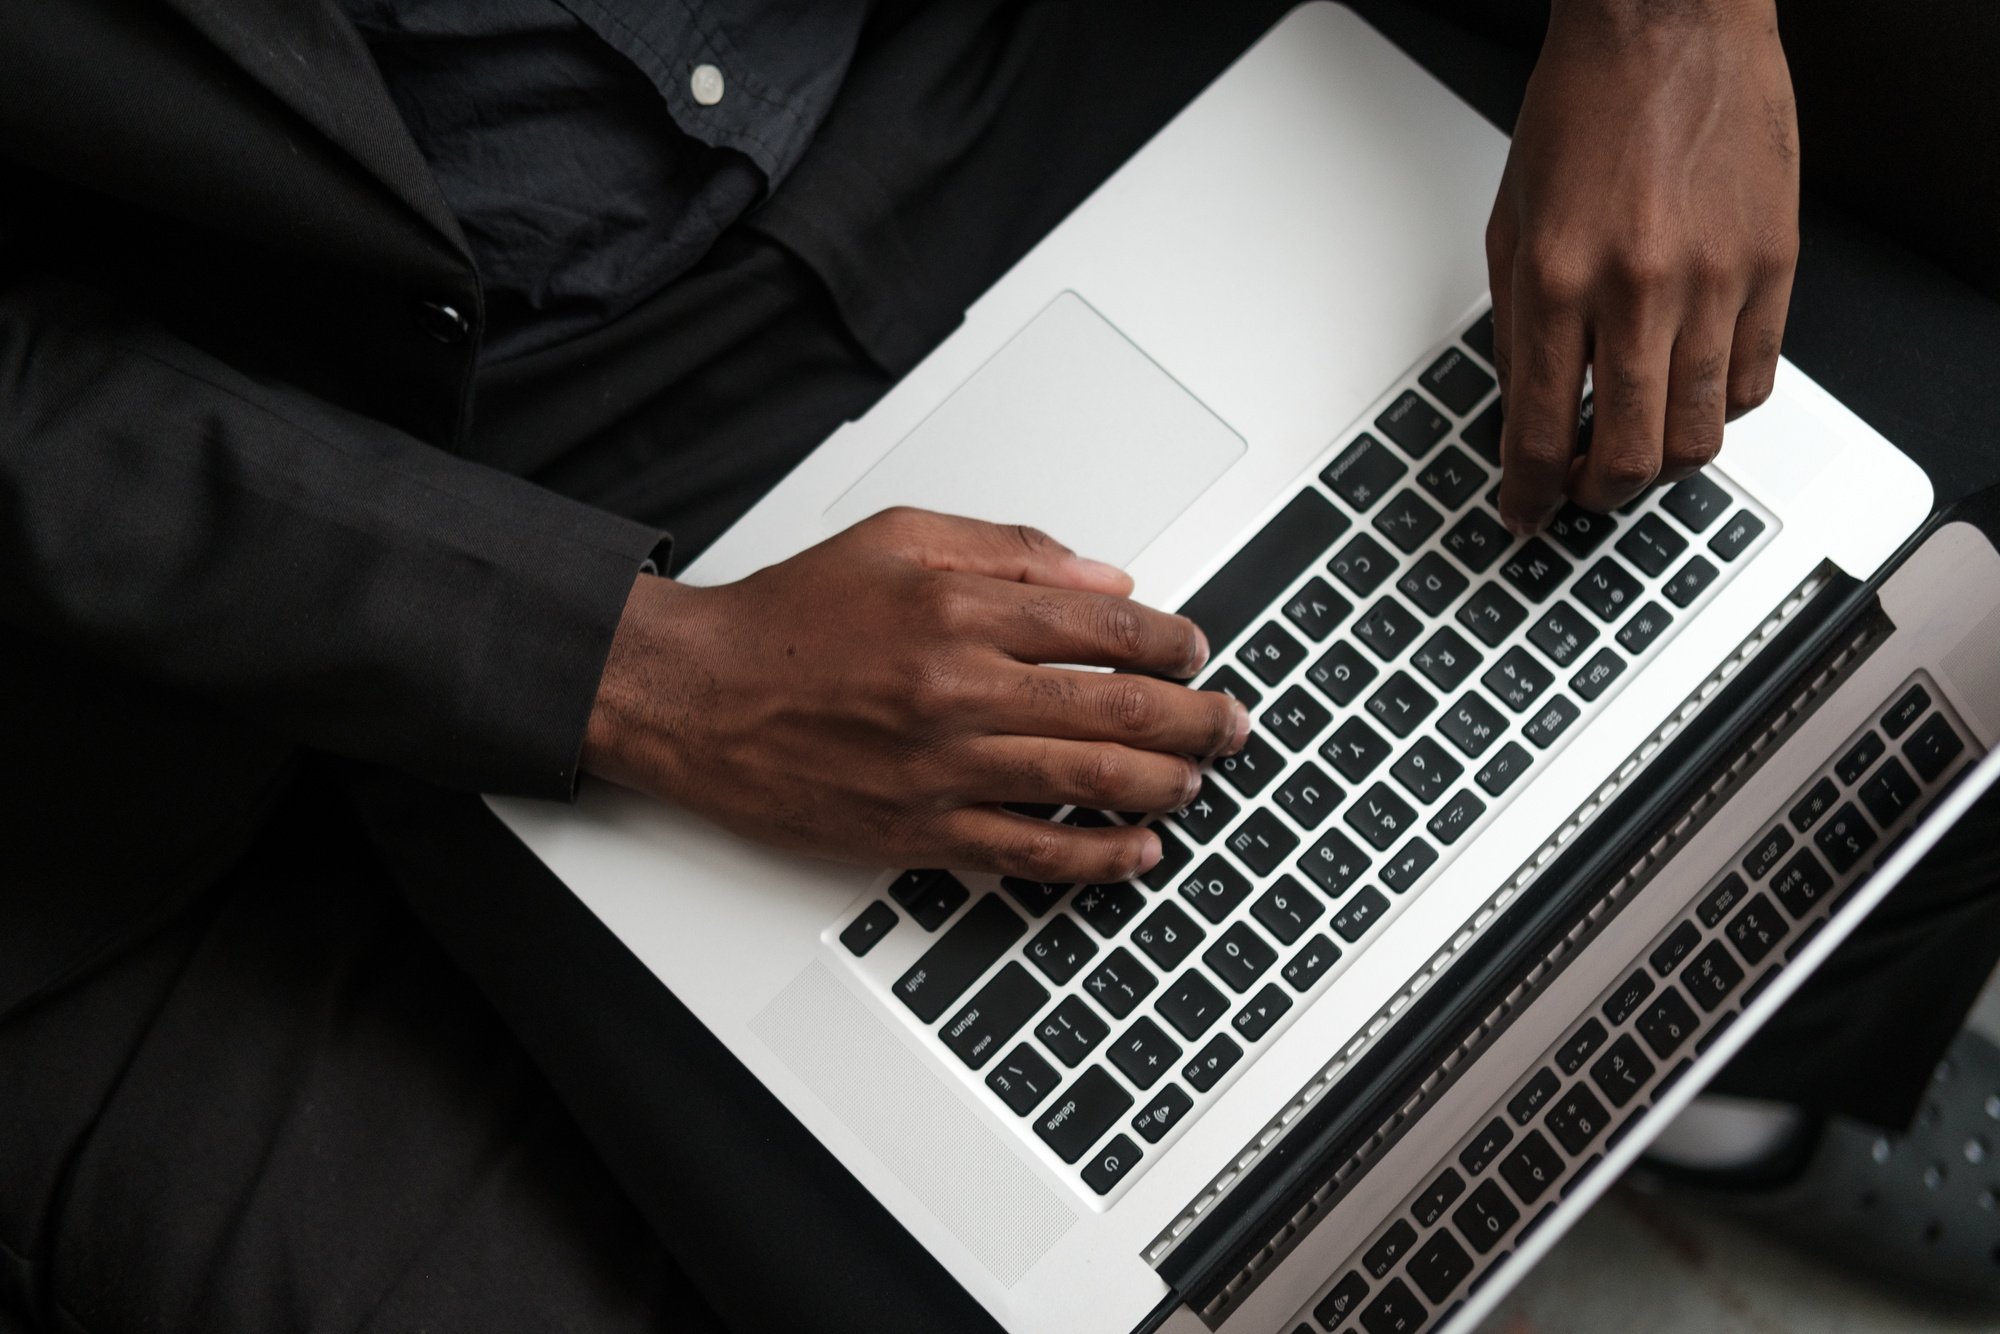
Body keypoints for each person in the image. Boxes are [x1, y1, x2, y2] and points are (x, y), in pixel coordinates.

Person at [1, 1, 1996, 1330]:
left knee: (1925, 625)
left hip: (1031, 45)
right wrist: (643, 667)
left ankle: (1732, 1090)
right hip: (452, 408)